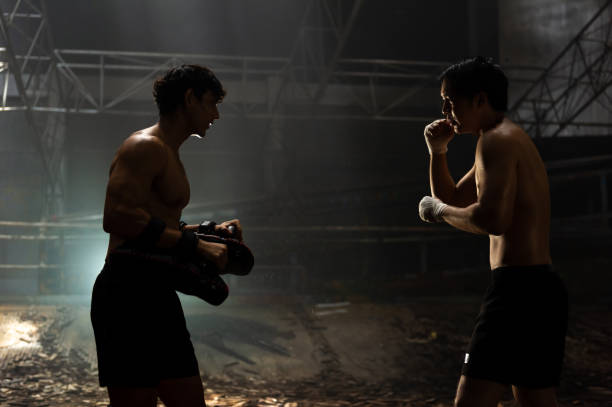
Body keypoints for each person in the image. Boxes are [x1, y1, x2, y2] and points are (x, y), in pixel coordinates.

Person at [418, 57, 568, 407]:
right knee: (535, 400)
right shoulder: (505, 137)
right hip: (538, 289)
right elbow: (454, 196)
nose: (445, 110)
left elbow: (490, 220)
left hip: (518, 292)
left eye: (450, 101)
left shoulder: (496, 142)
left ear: (479, 100)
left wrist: (439, 213)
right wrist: (437, 153)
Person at [91, 64, 243, 407]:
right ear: (189, 99)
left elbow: (156, 223)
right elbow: (117, 217)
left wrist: (207, 233)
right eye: (210, 103)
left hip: (157, 291)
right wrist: (193, 244)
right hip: (125, 294)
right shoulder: (145, 146)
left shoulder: (169, 153)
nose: (216, 114)